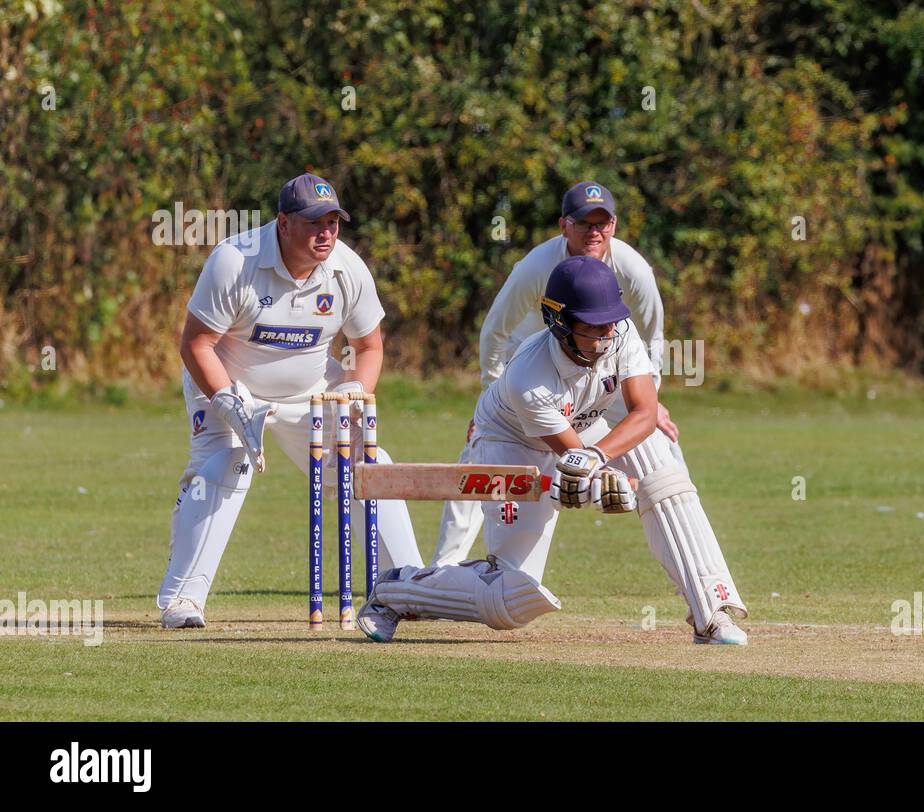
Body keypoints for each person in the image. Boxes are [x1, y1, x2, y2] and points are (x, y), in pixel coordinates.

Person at [358, 256, 747, 644]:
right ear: (559, 322)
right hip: (510, 443)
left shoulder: (620, 332)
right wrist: (593, 477)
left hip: (584, 427)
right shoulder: (529, 377)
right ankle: (396, 588)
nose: (606, 333)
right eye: (592, 326)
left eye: (610, 321)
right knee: (509, 598)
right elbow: (570, 458)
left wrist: (596, 460)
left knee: (660, 466)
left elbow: (644, 414)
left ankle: (711, 611)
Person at [429, 181, 749, 643]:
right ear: (565, 226)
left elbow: (652, 340)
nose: (595, 232)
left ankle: (711, 609)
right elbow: (495, 332)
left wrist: (647, 406)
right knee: (509, 586)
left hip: (596, 389)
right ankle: (425, 578)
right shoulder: (537, 268)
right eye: (585, 224)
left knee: (665, 470)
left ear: (614, 226)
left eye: (603, 224)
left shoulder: (628, 282)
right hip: (526, 403)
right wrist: (489, 398)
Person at [157, 173, 423, 628]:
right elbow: (196, 344)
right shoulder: (234, 261)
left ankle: (411, 587)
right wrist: (227, 401)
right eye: (315, 223)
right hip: (228, 385)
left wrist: (355, 390)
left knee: (366, 460)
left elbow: (370, 347)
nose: (327, 234)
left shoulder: (347, 269)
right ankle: (182, 601)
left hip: (311, 392)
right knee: (224, 467)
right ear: (283, 222)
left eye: (334, 223)